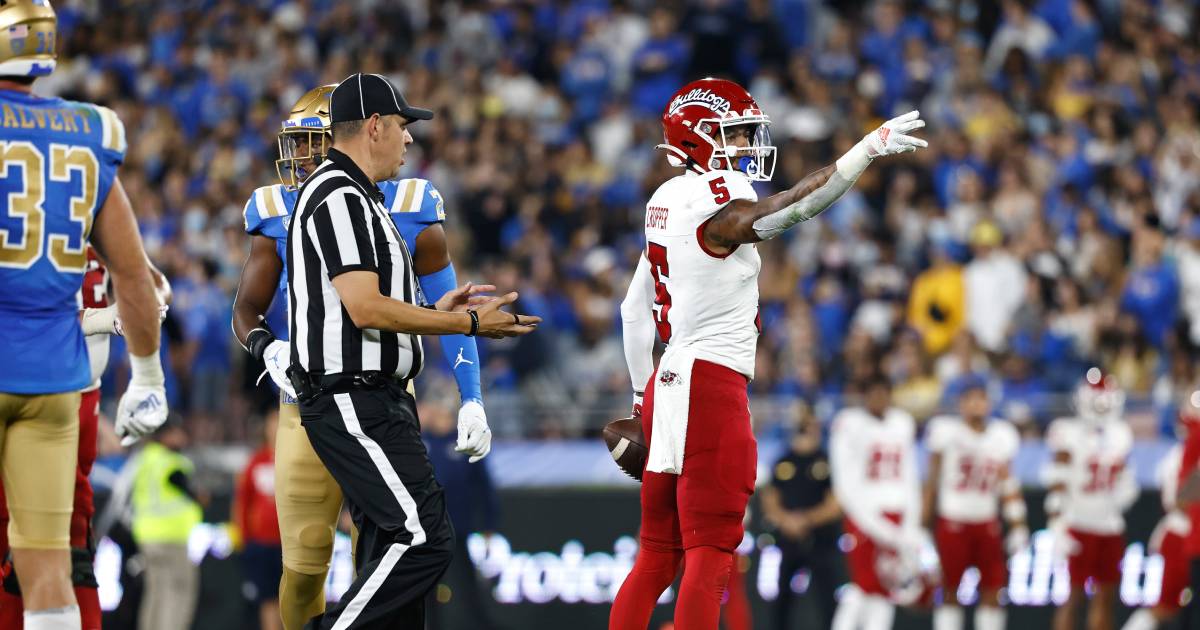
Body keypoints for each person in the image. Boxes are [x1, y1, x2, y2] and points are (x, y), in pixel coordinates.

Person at [613, 76, 925, 630]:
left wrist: (642, 401)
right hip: (710, 385)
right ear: (697, 138)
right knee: (711, 557)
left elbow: (634, 311)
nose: (744, 147)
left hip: (668, 381)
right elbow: (788, 211)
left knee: (656, 557)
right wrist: (864, 149)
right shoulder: (711, 204)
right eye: (732, 135)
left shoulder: (664, 199)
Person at [231, 83, 491, 630]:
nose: (301, 157)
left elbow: (424, 304)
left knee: (385, 553)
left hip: (387, 392)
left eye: (313, 142)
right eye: (298, 144)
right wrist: (266, 346)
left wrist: (471, 397)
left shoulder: (405, 202)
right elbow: (249, 309)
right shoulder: (304, 202)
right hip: (316, 394)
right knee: (305, 562)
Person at [285, 72, 538, 629]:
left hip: (376, 397)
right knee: (424, 537)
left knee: (396, 559)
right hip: (353, 398)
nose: (409, 139)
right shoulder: (338, 195)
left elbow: (378, 312)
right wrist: (461, 322)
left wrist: (444, 311)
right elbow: (365, 309)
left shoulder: (361, 199)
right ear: (374, 126)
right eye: (402, 126)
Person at [0, 3, 169, 629]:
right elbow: (134, 275)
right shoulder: (88, 131)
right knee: (51, 570)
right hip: (55, 386)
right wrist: (149, 376)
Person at [0, 247, 169, 630]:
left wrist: (142, 310)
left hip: (83, 397)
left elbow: (157, 286)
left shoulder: (101, 224)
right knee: (24, 539)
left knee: (75, 542)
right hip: (29, 395)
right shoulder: (27, 225)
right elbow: (22, 323)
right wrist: (101, 319)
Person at [923, 375, 1027, 630]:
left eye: (981, 398)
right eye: (970, 399)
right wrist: (922, 522)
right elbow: (931, 481)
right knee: (949, 589)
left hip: (986, 520)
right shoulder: (945, 432)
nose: (976, 404)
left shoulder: (1001, 435)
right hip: (953, 520)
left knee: (994, 589)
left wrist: (1018, 523)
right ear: (960, 403)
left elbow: (1008, 483)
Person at [1045, 369, 1137, 630]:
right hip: (1078, 521)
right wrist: (1056, 524)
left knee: (1106, 596)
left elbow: (1124, 477)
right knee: (1072, 596)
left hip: (1108, 523)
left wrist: (1125, 490)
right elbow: (1057, 478)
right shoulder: (1067, 430)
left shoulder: (1121, 433)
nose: (1100, 403)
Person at [828, 376, 923, 630]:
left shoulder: (902, 423)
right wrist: (878, 527)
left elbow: (910, 474)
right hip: (865, 515)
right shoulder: (850, 423)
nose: (879, 399)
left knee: (885, 589)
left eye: (883, 393)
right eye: (873, 393)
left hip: (896, 512)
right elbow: (845, 483)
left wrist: (910, 523)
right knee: (864, 585)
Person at [759, 405, 842, 629]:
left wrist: (805, 520)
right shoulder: (784, 461)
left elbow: (835, 504)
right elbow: (770, 499)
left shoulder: (826, 461)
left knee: (827, 599)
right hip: (790, 539)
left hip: (820, 540)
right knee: (782, 599)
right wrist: (787, 520)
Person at [422, 400, 501, 630]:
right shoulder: (419, 440)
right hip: (425, 530)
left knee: (466, 584)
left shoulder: (466, 442)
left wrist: (489, 525)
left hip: (458, 528)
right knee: (425, 586)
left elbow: (484, 487)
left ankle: (479, 624)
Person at [130, 416, 204, 630]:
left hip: (146, 537)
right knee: (180, 591)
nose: (182, 436)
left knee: (156, 592)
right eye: (177, 432)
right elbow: (185, 487)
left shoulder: (144, 459)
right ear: (167, 435)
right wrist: (200, 497)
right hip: (171, 539)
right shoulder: (171, 461)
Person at [1121, 423, 1188, 630]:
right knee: (1167, 606)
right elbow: (1179, 501)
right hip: (1181, 533)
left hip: (1185, 533)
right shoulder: (1181, 455)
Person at [234, 410, 283, 630]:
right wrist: (243, 537)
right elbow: (243, 502)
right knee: (267, 598)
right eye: (273, 423)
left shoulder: (296, 460)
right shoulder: (256, 461)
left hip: (289, 543)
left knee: (291, 597)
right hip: (262, 544)